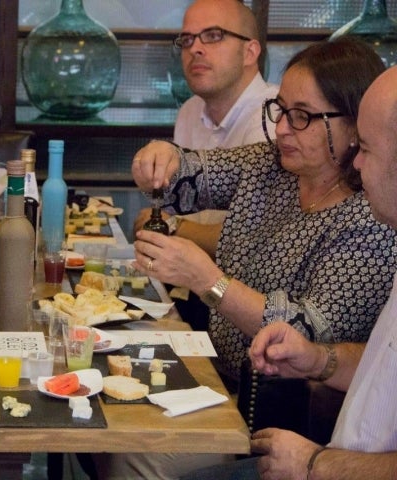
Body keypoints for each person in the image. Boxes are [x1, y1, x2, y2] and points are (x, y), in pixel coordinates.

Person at [94, 38, 397, 479]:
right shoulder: (271, 165)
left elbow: (304, 329)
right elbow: (191, 174)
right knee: (111, 419)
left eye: (302, 116)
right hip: (213, 374)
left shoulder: (371, 217)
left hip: (274, 411)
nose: (282, 130)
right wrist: (161, 159)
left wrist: (208, 281)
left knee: (129, 451)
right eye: (279, 111)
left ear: (355, 129)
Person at [185, 63, 397, 479]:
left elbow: (321, 320)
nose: (356, 166)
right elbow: (381, 363)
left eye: (367, 150)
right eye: (280, 111)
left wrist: (315, 463)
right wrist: (317, 359)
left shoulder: (371, 226)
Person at [134, 0, 279, 256]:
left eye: (213, 36)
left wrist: (169, 225)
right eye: (187, 40)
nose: (195, 49)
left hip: (242, 291)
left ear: (250, 52)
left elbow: (258, 238)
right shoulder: (190, 110)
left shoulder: (275, 115)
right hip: (186, 280)